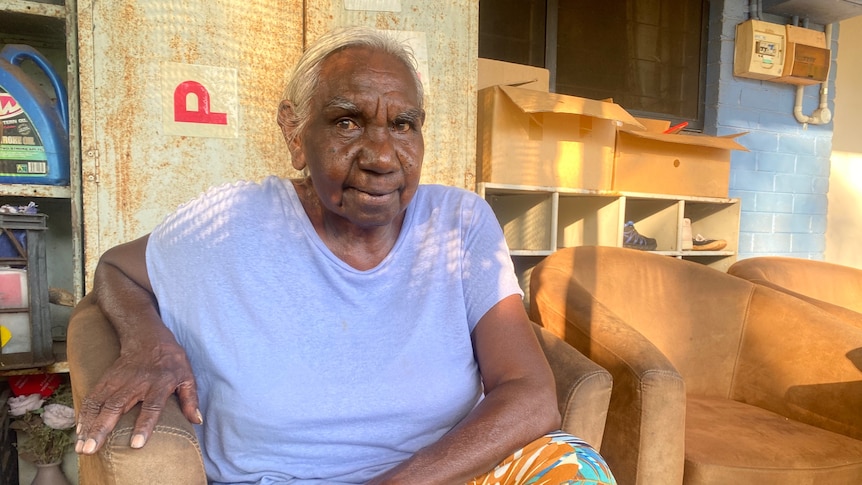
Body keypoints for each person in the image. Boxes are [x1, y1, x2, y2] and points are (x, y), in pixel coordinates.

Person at [74, 26, 617, 485]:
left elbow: (529, 392)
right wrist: (148, 341)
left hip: (437, 477)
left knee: (574, 465)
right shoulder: (230, 221)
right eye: (347, 122)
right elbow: (116, 269)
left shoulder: (460, 223)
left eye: (403, 125)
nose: (383, 156)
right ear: (294, 130)